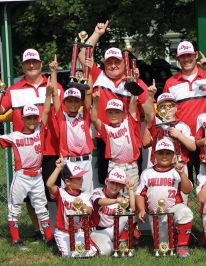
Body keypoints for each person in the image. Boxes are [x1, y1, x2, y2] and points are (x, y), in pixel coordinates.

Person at [0, 50, 64, 237]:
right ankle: (39, 230)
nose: (31, 66)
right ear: (22, 66)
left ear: (40, 64)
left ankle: (58, 228)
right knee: (31, 197)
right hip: (27, 151)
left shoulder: (53, 85)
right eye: (27, 63)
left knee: (53, 192)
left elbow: (62, 112)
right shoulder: (13, 90)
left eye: (35, 62)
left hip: (53, 146)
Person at [79, 20, 153, 185]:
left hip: (130, 141)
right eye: (109, 62)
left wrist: (147, 130)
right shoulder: (99, 76)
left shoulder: (134, 81)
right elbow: (82, 56)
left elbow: (149, 111)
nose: (113, 65)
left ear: (123, 63)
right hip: (105, 138)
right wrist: (97, 33)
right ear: (104, 64)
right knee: (109, 186)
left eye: (116, 62)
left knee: (132, 186)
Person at [0, 102, 54, 250]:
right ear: (22, 119)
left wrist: (49, 94)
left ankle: (49, 237)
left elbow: (46, 112)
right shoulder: (15, 136)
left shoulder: (39, 130)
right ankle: (15, 239)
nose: (32, 121)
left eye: (34, 118)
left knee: (41, 208)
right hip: (22, 177)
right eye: (28, 118)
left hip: (37, 176)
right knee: (15, 208)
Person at [163, 42, 206, 181]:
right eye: (182, 56)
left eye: (189, 55)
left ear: (195, 55)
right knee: (182, 184)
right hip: (182, 140)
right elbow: (165, 111)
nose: (186, 59)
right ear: (177, 58)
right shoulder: (170, 83)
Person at [136, 138, 193, 258]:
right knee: (163, 248)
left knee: (185, 212)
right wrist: (141, 209)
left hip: (173, 210)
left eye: (168, 153)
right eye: (161, 153)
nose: (164, 156)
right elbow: (140, 194)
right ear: (155, 154)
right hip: (156, 215)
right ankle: (174, 237)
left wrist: (182, 173)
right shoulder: (147, 173)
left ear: (173, 155)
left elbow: (187, 190)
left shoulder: (178, 170)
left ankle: (182, 246)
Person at [51, 61, 94, 192]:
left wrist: (90, 72)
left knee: (87, 196)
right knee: (70, 197)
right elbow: (54, 94)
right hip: (69, 162)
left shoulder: (85, 116)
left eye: (76, 100)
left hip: (85, 161)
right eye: (69, 101)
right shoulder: (62, 117)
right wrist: (53, 72)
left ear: (80, 102)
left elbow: (88, 93)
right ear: (64, 102)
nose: (73, 103)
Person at [46, 154, 98, 257]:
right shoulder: (61, 193)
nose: (82, 180)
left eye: (81, 177)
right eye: (78, 178)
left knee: (90, 253)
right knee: (69, 255)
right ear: (68, 182)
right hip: (63, 232)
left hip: (79, 232)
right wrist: (58, 168)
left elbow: (89, 211)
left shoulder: (85, 194)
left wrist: (81, 205)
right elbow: (49, 184)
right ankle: (59, 244)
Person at [91, 92, 141, 191]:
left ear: (123, 113)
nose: (114, 115)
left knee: (132, 196)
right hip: (114, 166)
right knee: (115, 196)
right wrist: (96, 101)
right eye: (110, 112)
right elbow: (94, 118)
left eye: (117, 112)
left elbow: (132, 105)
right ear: (106, 113)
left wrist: (132, 85)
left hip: (131, 166)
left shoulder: (129, 123)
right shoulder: (106, 129)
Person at [89, 168, 135, 255]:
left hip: (114, 229)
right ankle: (103, 244)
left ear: (122, 186)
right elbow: (100, 201)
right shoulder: (97, 191)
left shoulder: (121, 197)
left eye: (118, 184)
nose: (114, 186)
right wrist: (116, 201)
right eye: (112, 182)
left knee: (128, 216)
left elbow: (132, 210)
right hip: (98, 231)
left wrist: (131, 190)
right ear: (106, 181)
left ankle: (122, 242)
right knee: (106, 251)